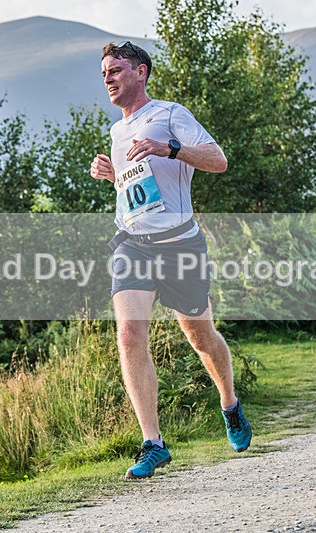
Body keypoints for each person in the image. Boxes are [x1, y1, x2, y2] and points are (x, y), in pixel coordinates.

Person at [90, 41, 252, 479]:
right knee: (128, 335)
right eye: (104, 71)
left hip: (180, 245)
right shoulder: (117, 130)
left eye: (116, 69)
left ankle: (230, 405)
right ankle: (153, 443)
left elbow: (218, 161)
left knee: (201, 339)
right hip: (133, 245)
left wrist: (170, 149)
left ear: (140, 72)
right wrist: (113, 177)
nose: (108, 77)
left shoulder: (170, 114)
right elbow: (142, 191)